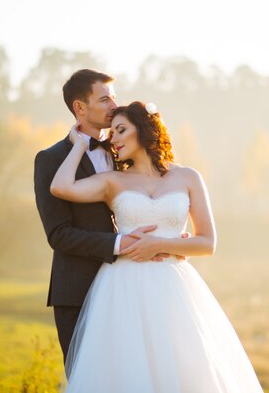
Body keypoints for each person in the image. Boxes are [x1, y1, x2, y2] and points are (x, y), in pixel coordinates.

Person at [50, 101, 264, 392]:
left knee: (182, 369)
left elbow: (207, 242)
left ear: (145, 129)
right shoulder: (113, 181)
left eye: (122, 129)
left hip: (173, 287)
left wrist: (161, 244)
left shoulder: (188, 177)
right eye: (112, 133)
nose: (114, 138)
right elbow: (60, 187)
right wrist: (77, 144)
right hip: (122, 287)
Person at [33, 69, 170, 367]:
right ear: (80, 108)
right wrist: (119, 243)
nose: (113, 106)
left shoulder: (125, 149)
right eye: (105, 99)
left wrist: (168, 237)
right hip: (78, 291)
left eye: (114, 98)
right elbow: (58, 234)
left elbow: (148, 197)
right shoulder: (50, 160)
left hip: (132, 285)